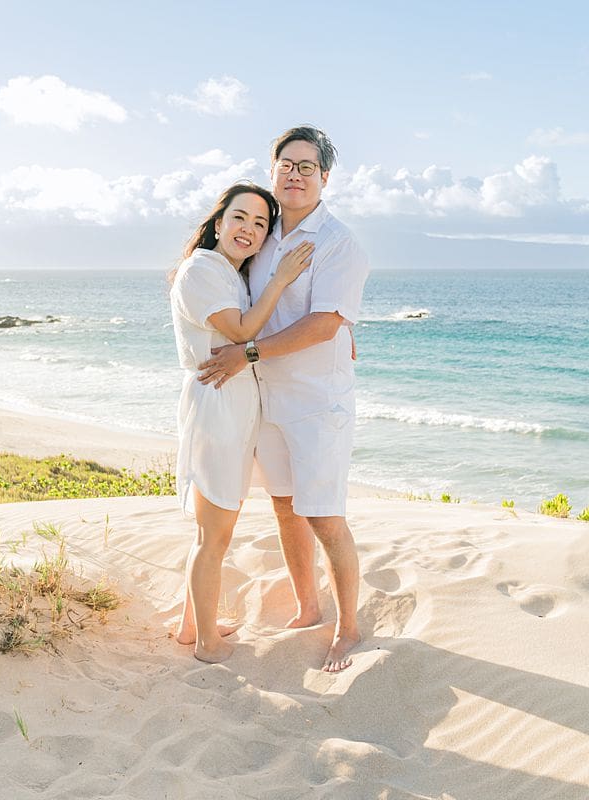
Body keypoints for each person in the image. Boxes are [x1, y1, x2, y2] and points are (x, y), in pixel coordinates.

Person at [197, 126, 369, 673]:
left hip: (318, 402)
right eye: (286, 165)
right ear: (273, 171)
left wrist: (248, 352)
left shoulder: (339, 243)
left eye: (307, 167)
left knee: (324, 516)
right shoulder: (262, 231)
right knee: (284, 506)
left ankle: (348, 629)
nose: (296, 175)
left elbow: (323, 324)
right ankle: (307, 606)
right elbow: (226, 286)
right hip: (266, 397)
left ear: (325, 178)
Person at [169, 182, 315, 664]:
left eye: (260, 223)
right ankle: (206, 644)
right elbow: (241, 330)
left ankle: (193, 627)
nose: (249, 229)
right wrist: (282, 279)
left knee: (214, 534)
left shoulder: (228, 275)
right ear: (218, 223)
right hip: (217, 408)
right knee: (213, 536)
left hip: (231, 407)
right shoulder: (201, 270)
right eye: (239, 217)